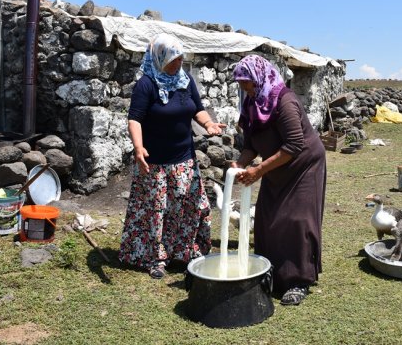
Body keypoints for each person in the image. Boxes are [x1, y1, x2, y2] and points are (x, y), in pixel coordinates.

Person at [119, 34, 226, 279]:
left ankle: (185, 252)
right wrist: (138, 148)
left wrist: (208, 124)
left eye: (180, 58)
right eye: (172, 59)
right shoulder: (146, 84)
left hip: (184, 160)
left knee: (189, 207)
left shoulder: (185, 80)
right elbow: (134, 118)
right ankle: (155, 259)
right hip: (155, 163)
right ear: (159, 58)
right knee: (156, 211)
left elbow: (197, 109)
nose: (178, 63)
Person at [231, 55, 326, 306]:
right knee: (266, 217)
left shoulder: (284, 101)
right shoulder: (252, 103)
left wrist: (259, 170)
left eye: (247, 82)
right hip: (277, 165)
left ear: (259, 78)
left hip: (303, 165)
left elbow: (295, 144)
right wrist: (241, 163)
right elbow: (251, 143)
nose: (244, 87)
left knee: (296, 220)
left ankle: (297, 281)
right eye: (241, 83)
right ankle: (270, 271)